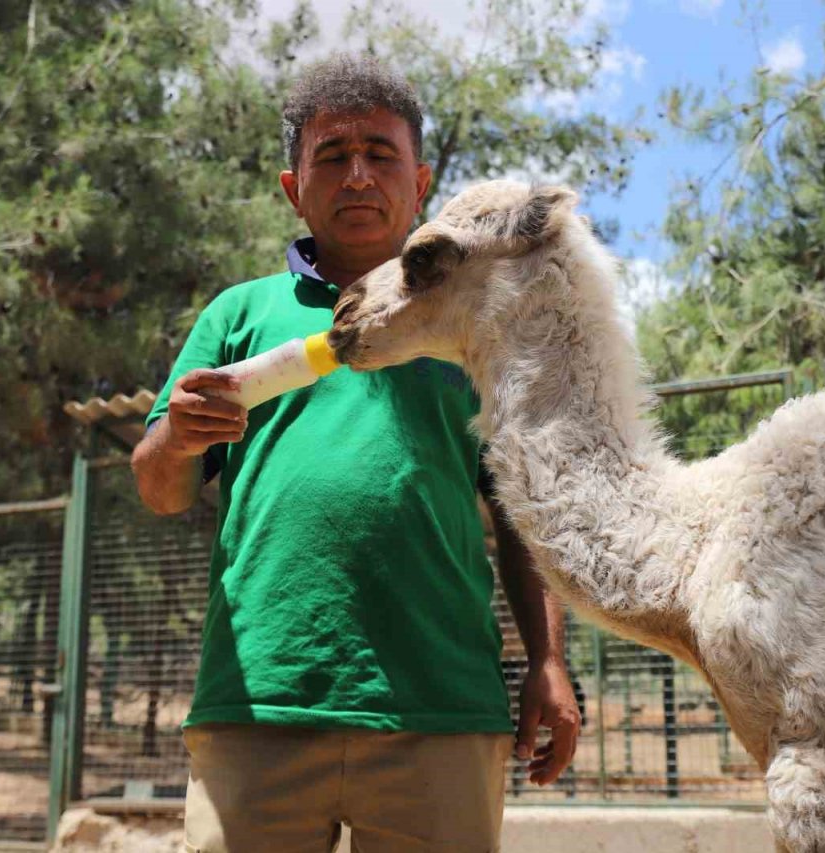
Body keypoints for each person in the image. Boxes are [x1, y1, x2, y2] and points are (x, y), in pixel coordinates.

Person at [131, 52, 580, 853]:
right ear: (292, 186)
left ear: (421, 180)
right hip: (258, 705)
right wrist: (176, 436)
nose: (359, 176)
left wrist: (547, 658)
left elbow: (520, 516)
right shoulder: (240, 313)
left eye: (381, 154)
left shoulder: (473, 327)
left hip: (438, 710)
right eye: (332, 157)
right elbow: (161, 489)